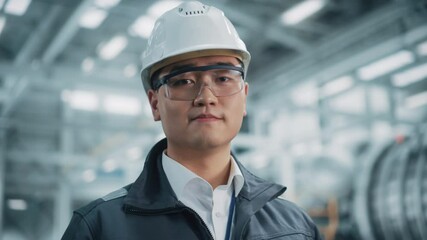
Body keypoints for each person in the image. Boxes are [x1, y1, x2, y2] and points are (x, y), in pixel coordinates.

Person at [62, 1, 322, 239]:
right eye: (184, 81)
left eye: (223, 78)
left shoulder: (295, 227)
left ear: (243, 97)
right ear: (155, 104)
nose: (205, 97)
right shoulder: (100, 228)